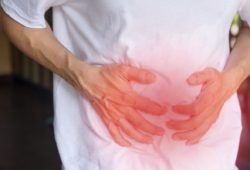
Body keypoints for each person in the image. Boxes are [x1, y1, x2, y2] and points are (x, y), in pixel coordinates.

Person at [1, 0, 250, 169]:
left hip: (209, 153)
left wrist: (231, 79)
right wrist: (80, 74)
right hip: (109, 153)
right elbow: (16, 14)